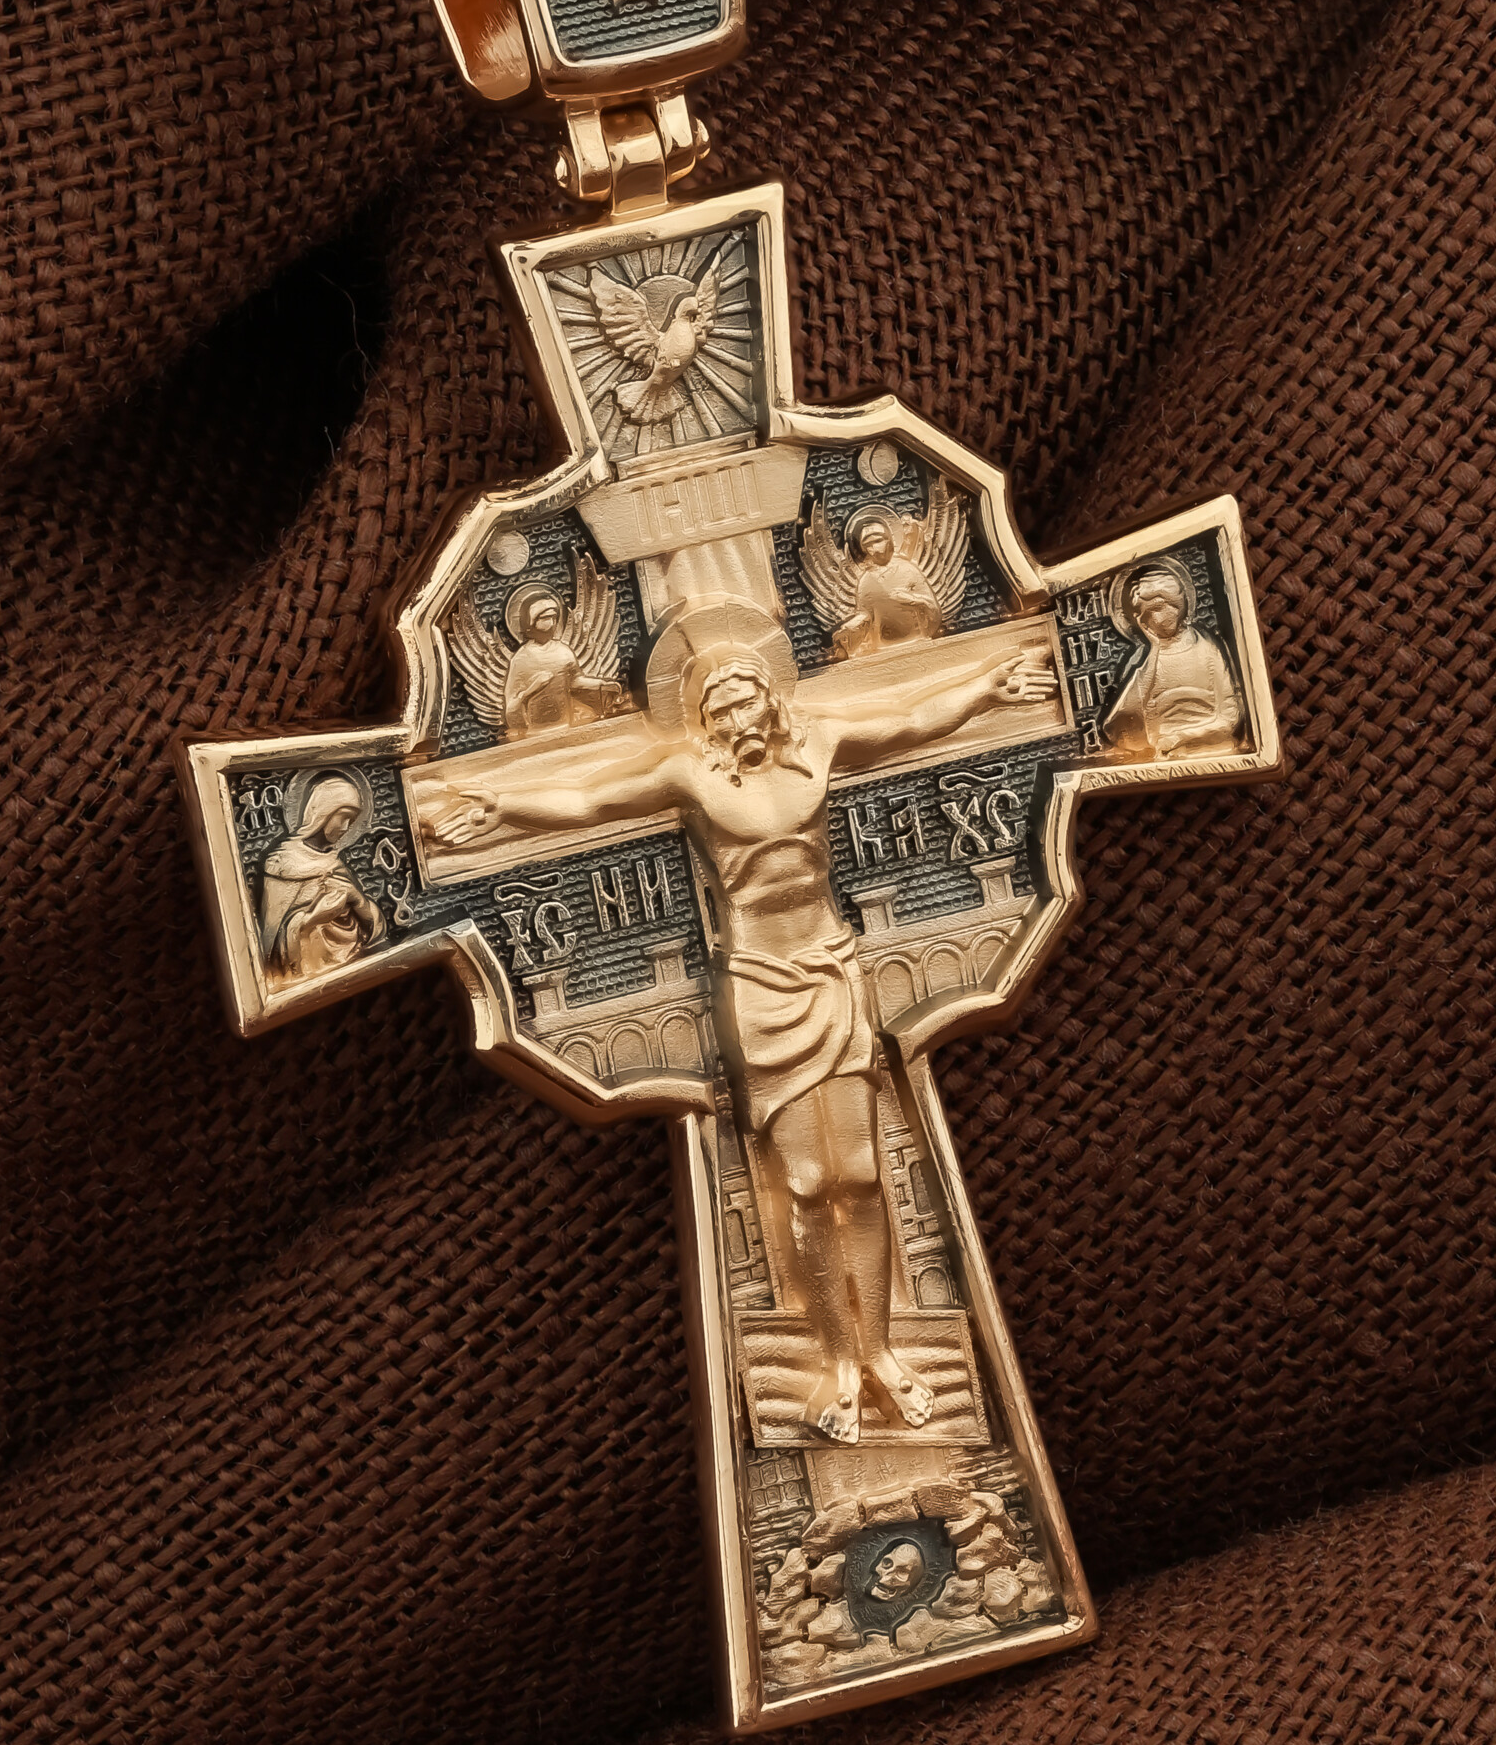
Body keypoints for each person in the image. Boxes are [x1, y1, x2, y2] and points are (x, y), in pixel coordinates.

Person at [415, 609, 1057, 1446]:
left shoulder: (819, 741)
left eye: (742, 698)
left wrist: (987, 685)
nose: (733, 716)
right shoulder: (692, 773)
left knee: (860, 1175)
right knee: (806, 1184)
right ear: (701, 720)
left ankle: (880, 1352)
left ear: (767, 696)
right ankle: (837, 1361)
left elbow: (908, 719)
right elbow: (588, 798)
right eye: (716, 708)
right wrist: (492, 804)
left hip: (832, 969)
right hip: (758, 983)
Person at [1103, 568, 1245, 760]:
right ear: (1140, 619)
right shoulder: (1142, 660)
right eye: (1151, 610)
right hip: (1161, 749)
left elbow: (1230, 715)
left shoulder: (1208, 649)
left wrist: (1180, 737)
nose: (1162, 616)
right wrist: (1153, 653)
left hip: (1208, 743)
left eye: (1167, 606)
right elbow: (1118, 729)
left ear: (1181, 606)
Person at [257, 777, 383, 984]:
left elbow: (374, 929)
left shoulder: (334, 863)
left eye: (352, 821)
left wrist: (357, 899)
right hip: (309, 971)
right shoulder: (282, 864)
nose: (346, 827)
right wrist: (313, 918)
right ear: (323, 812)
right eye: (343, 817)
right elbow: (272, 948)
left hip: (353, 961)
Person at [502, 590, 625, 739]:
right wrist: (531, 689)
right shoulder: (520, 660)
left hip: (566, 727)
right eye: (545, 618)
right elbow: (510, 707)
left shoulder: (563, 651)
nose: (551, 623)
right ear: (530, 621)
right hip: (536, 734)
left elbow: (575, 681)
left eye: (554, 617)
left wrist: (601, 684)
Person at [836, 514, 947, 657]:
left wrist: (912, 600)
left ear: (889, 539)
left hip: (919, 643)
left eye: (878, 540)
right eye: (868, 544)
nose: (874, 547)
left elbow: (933, 609)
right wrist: (850, 628)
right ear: (862, 548)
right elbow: (866, 616)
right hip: (882, 651)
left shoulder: (907, 569)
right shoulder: (866, 581)